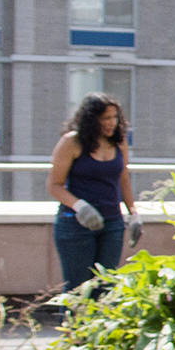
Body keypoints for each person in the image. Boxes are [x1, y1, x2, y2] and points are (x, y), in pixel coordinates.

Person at [47, 92, 140, 293]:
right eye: (105, 118)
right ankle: (71, 325)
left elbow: (123, 180)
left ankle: (98, 325)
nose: (111, 123)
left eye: (114, 118)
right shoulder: (72, 142)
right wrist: (81, 206)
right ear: (91, 119)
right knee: (78, 291)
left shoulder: (119, 142)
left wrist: (133, 214)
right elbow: (54, 185)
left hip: (112, 224)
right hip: (76, 225)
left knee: (105, 288)